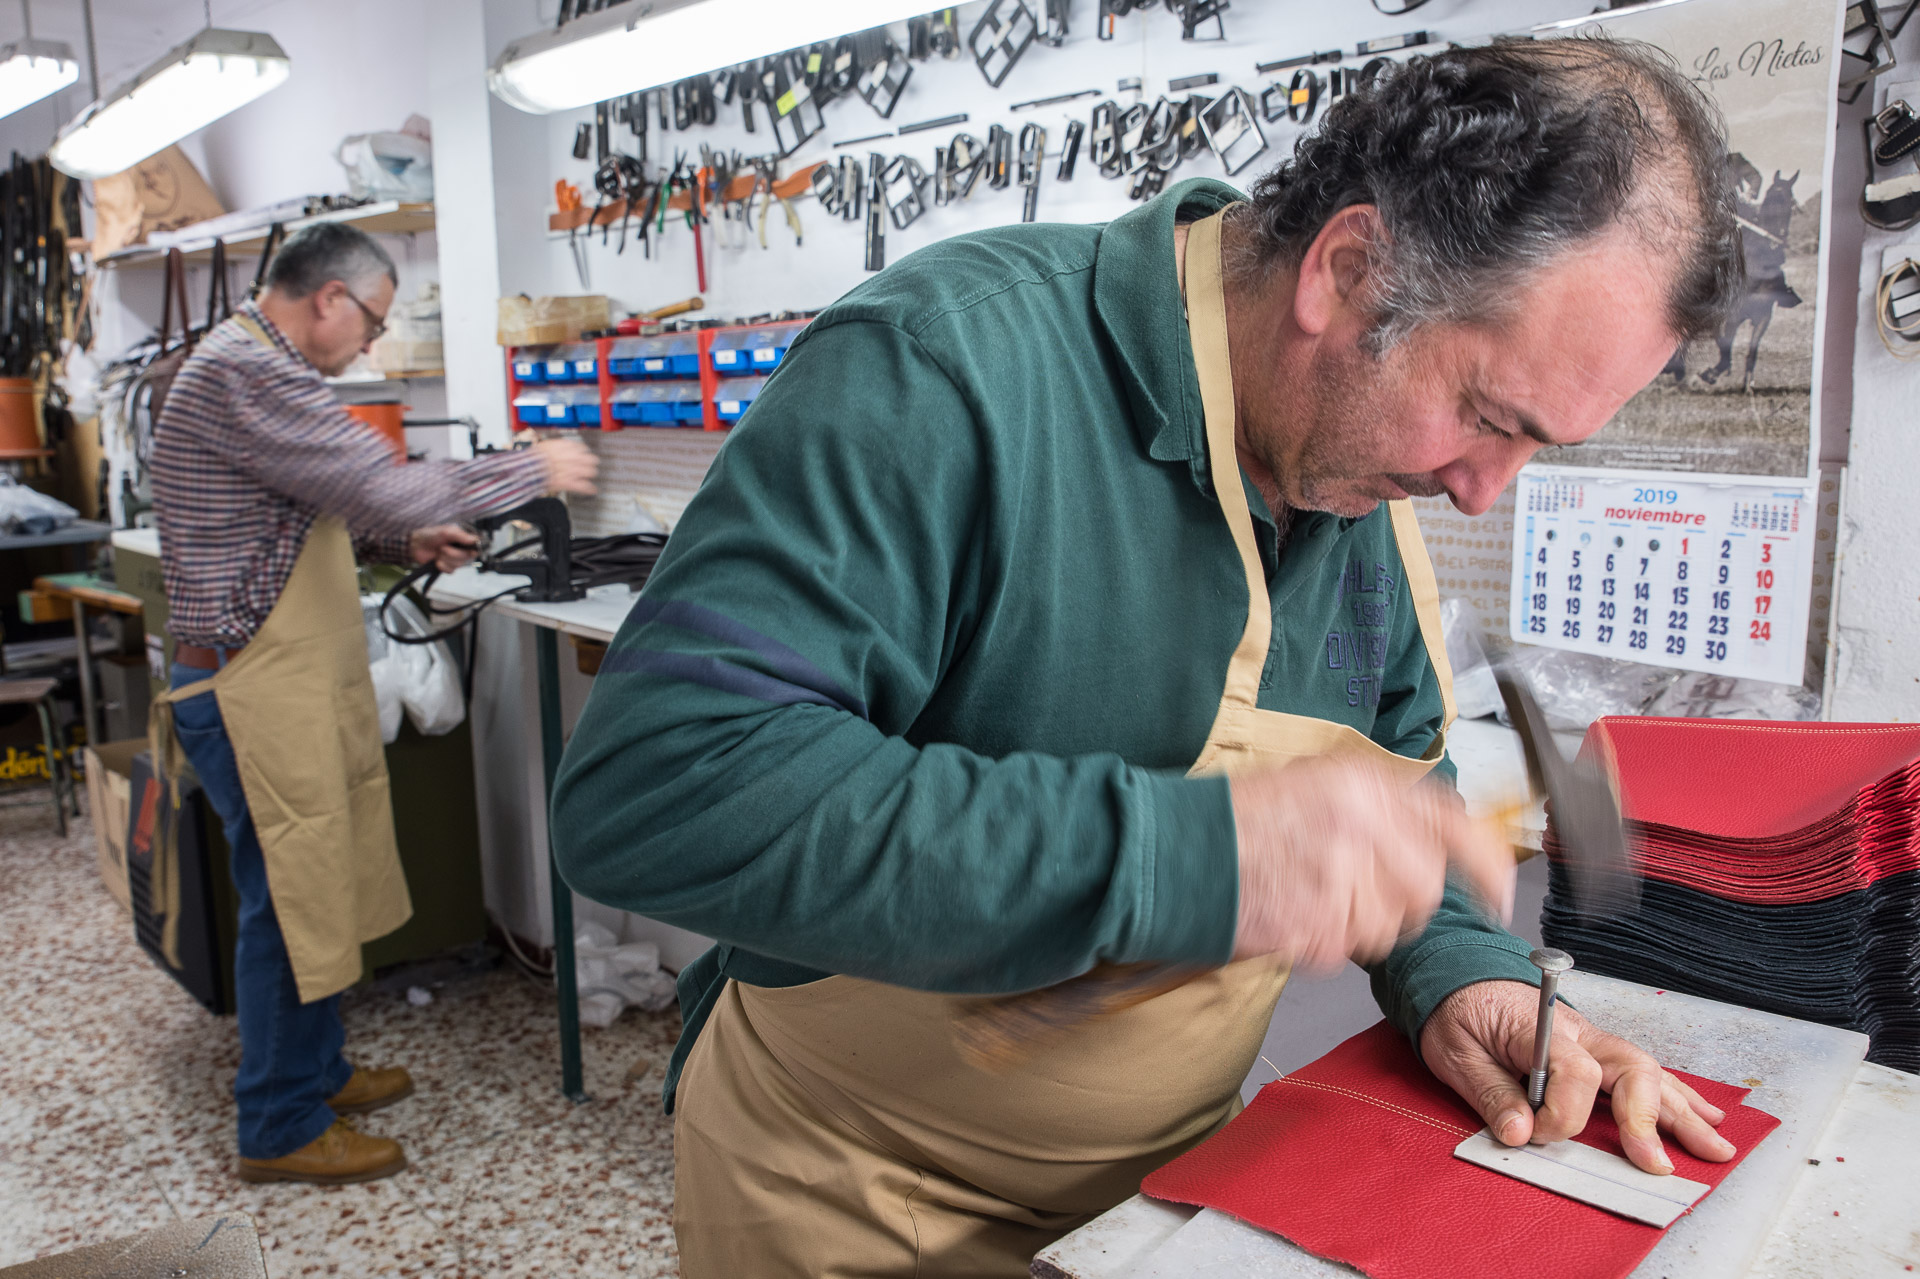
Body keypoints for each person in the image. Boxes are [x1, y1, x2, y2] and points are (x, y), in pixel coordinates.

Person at [552, 38, 1745, 1276]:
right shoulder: (943, 369)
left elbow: (1400, 804)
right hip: (847, 1188)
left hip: (1163, 1203)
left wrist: (1463, 971)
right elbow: (659, 788)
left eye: (1534, 445)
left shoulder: (1357, 472)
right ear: (1348, 271)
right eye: (1489, 416)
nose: (1483, 490)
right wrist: (1197, 855)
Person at [149, 222, 598, 1185]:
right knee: (288, 901)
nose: (372, 344)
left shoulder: (254, 363)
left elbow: (298, 513)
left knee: (314, 884)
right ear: (330, 298)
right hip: (248, 686)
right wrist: (533, 469)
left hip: (268, 674)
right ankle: (279, 1123)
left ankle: (315, 1071)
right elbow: (381, 483)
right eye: (374, 322)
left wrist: (404, 544)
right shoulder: (245, 371)